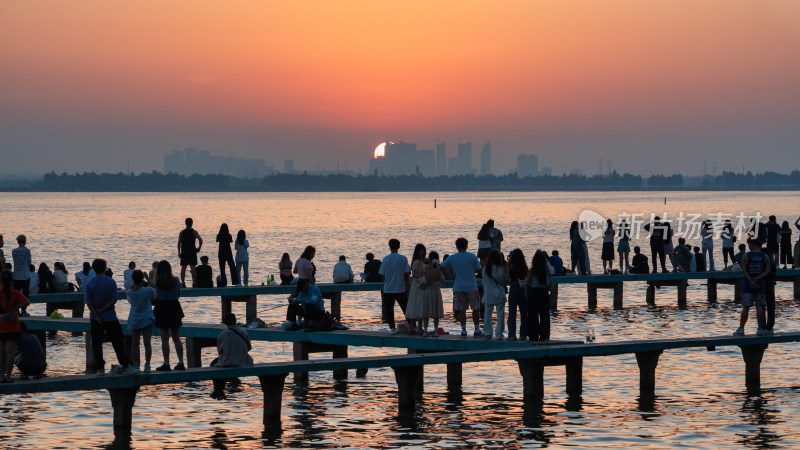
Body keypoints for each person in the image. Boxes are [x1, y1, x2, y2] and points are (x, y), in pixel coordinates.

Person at [84, 259, 132, 374]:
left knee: (97, 343)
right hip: (110, 317)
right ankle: (125, 365)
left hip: (95, 318)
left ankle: (100, 367)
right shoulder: (111, 282)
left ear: (93, 269)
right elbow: (113, 300)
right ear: (105, 268)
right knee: (118, 342)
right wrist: (102, 310)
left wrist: (96, 315)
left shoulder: (89, 283)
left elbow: (88, 302)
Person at [441, 237, 483, 337]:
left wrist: (449, 276)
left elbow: (441, 266)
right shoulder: (472, 256)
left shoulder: (452, 257)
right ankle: (477, 329)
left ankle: (463, 330)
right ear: (467, 246)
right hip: (472, 286)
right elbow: (478, 269)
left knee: (462, 310)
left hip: (458, 287)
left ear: (457, 246)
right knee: (475, 309)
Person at [210, 313, 253, 400]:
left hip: (229, 362)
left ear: (225, 322)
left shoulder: (224, 333)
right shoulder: (243, 331)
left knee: (214, 365)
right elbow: (249, 347)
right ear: (235, 321)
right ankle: (219, 391)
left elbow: (219, 351)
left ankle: (218, 390)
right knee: (222, 363)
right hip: (244, 361)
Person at [153, 260, 185, 371]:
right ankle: (181, 362)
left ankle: (166, 363)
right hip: (174, 307)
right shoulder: (176, 280)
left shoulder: (158, 282)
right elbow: (178, 294)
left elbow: (156, 296)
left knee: (164, 339)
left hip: (162, 308)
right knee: (176, 338)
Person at [735, 238, 770, 336]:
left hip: (748, 285)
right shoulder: (765, 256)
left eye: (749, 243)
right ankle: (760, 329)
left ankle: (741, 329)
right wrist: (758, 278)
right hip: (760, 285)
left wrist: (750, 279)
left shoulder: (746, 256)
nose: (748, 246)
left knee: (746, 306)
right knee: (759, 306)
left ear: (752, 244)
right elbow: (767, 271)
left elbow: (744, 270)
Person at [0, 270, 30, 382]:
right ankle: (8, 376)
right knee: (10, 352)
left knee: (1, 351)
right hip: (12, 327)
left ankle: (1, 376)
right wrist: (15, 308)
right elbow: (27, 302)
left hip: (1, 325)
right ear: (11, 281)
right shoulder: (15, 293)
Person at [126, 270, 156, 372]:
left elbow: (130, 300)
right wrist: (148, 279)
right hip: (147, 318)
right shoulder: (147, 290)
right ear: (142, 279)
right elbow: (154, 291)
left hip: (134, 319)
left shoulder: (129, 292)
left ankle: (135, 365)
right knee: (147, 343)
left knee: (135, 344)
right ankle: (147, 365)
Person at [378, 239, 410, 334]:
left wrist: (385, 283)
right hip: (400, 288)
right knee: (405, 308)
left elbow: (382, 274)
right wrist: (406, 284)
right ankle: (412, 325)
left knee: (389, 309)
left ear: (389, 247)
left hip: (388, 289)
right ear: (399, 246)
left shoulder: (385, 259)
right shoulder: (403, 258)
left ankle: (392, 328)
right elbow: (406, 273)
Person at [417, 251, 445, 337]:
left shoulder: (424, 267)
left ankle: (425, 331)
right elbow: (442, 279)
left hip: (426, 291)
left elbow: (420, 276)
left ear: (429, 258)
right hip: (435, 291)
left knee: (426, 312)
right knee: (436, 312)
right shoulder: (438, 268)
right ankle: (436, 330)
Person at [527, 250, 552, 341]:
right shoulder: (546, 270)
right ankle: (544, 336)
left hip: (534, 293)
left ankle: (533, 335)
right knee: (545, 316)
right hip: (544, 293)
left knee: (533, 315)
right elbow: (549, 284)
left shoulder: (532, 270)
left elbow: (528, 282)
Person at [482, 250, 507, 340]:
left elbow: (484, 282)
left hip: (488, 294)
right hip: (499, 294)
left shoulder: (486, 269)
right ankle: (499, 334)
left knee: (487, 313)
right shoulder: (500, 269)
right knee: (500, 314)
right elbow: (503, 281)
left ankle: (488, 333)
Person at [404, 244, 428, 335]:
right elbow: (415, 274)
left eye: (423, 250)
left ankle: (413, 327)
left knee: (416, 305)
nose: (422, 252)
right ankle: (418, 328)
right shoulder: (417, 262)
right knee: (418, 304)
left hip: (417, 284)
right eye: (421, 250)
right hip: (418, 284)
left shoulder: (421, 261)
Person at [506, 249, 528, 341]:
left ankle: (512, 335)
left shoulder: (510, 266)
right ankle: (523, 335)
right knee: (524, 314)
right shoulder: (524, 266)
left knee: (512, 314)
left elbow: (506, 279)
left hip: (513, 288)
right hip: (523, 290)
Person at [178, 217, 203, 288]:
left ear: (185, 223)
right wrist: (199, 248)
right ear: (192, 223)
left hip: (184, 252)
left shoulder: (182, 232)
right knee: (193, 267)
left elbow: (179, 243)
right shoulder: (194, 232)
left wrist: (179, 252)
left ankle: (182, 283)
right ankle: (194, 283)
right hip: (192, 252)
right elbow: (200, 240)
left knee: (183, 267)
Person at [11, 235, 31, 316]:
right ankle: (24, 310)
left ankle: (17, 310)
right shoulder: (27, 251)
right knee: (25, 294)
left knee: (16, 293)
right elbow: (29, 262)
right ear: (25, 241)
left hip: (16, 275)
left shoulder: (14, 251)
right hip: (25, 275)